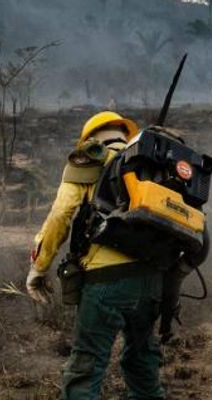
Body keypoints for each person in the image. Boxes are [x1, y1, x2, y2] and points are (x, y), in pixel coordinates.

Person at [26, 111, 166, 400]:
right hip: (152, 282)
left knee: (86, 369)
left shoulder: (89, 159)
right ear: (125, 134)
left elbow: (61, 215)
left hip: (105, 282)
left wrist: (39, 267)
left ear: (89, 138)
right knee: (142, 362)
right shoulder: (153, 163)